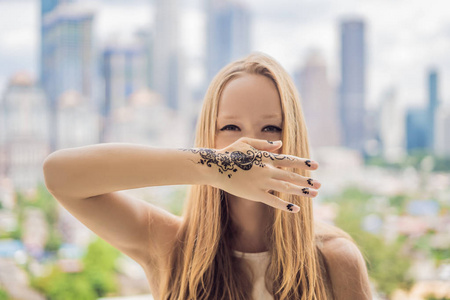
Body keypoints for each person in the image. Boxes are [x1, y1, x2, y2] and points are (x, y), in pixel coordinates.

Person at [43, 52, 372, 300]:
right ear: (207, 142)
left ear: (294, 140)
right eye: (230, 128)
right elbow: (59, 175)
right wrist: (218, 168)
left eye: (271, 128)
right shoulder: (170, 246)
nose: (247, 146)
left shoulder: (334, 259)